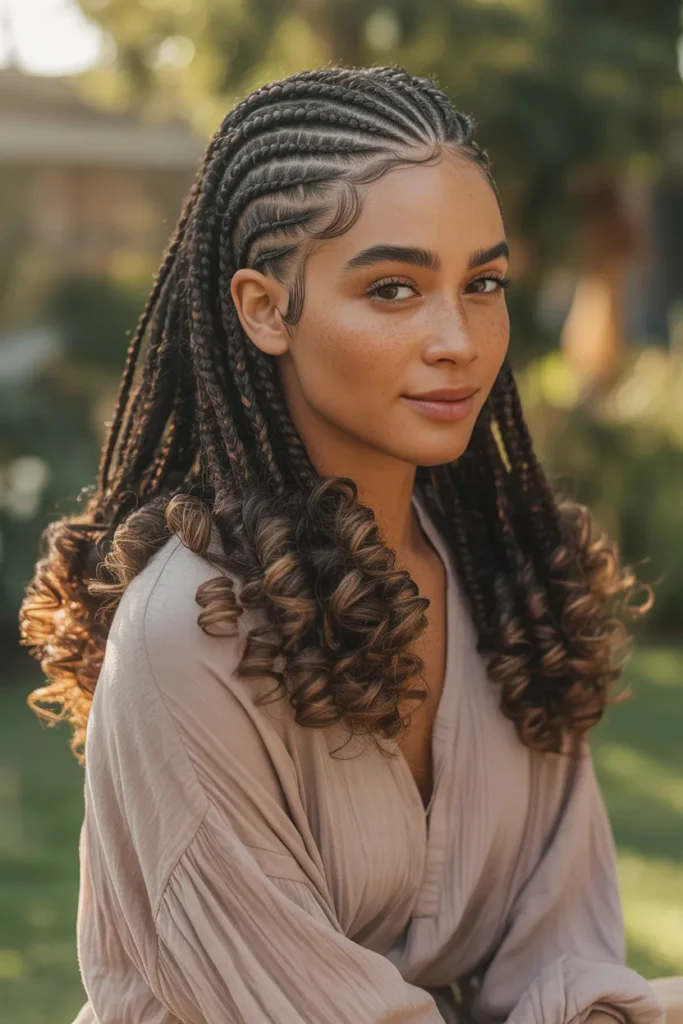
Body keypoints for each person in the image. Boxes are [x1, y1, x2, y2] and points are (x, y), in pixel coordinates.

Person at [19, 65, 681, 1024]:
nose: (457, 338)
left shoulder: (506, 587)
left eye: (483, 283)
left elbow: (564, 972)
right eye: (394, 288)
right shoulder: (186, 637)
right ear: (263, 308)